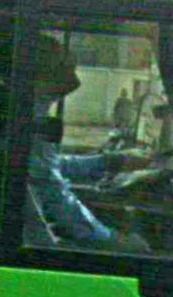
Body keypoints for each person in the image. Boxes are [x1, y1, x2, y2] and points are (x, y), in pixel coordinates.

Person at [29, 35, 151, 252]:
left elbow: (46, 167)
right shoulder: (28, 118)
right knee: (140, 251)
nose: (73, 80)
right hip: (32, 241)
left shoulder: (28, 109)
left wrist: (111, 161)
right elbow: (51, 190)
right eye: (63, 66)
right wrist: (111, 240)